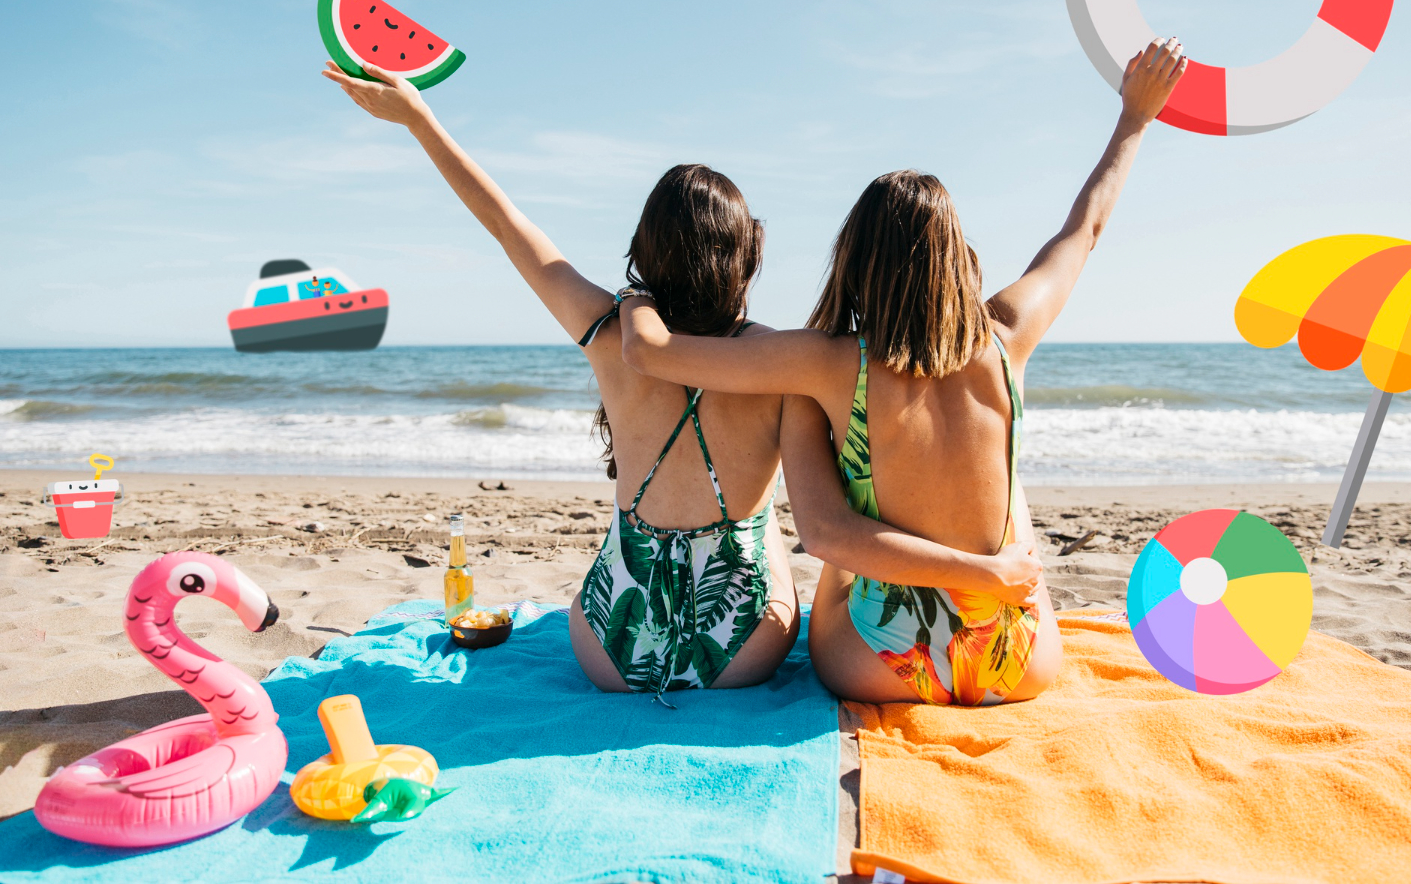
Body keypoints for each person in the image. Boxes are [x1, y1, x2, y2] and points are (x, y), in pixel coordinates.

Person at [319, 60, 1019, 701]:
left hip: (609, 650)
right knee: (767, 521)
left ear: (644, 250)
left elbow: (506, 224)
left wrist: (419, 119)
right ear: (748, 254)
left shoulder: (610, 334)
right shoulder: (785, 365)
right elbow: (828, 523)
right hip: (744, 652)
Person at [617, 37, 1188, 705]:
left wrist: (636, 295)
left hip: (886, 665)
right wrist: (1134, 118)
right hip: (1015, 660)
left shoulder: (827, 362)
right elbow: (1083, 229)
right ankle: (991, 579)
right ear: (956, 256)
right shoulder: (1008, 336)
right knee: (1011, 490)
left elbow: (651, 353)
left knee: (837, 543)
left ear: (853, 259)